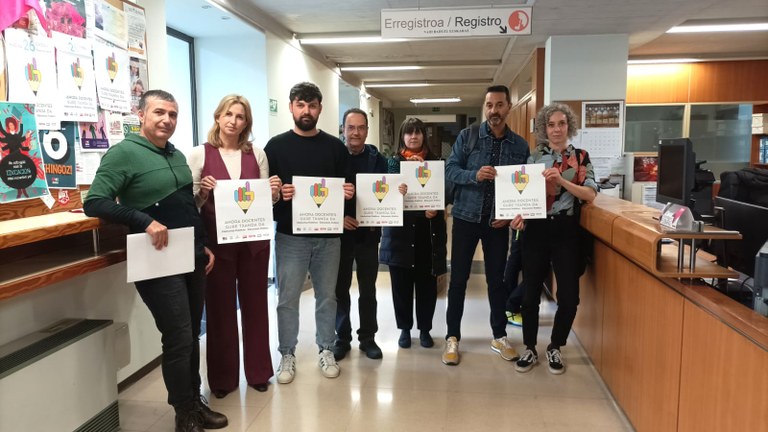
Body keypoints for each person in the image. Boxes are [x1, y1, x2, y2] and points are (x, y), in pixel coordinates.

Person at [84, 90, 228, 432]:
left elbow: (184, 206)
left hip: (189, 253)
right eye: (159, 112)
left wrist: (202, 243)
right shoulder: (123, 154)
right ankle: (184, 413)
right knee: (178, 335)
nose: (167, 120)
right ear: (142, 115)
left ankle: (195, 401)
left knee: (192, 333)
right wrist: (143, 220)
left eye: (173, 115)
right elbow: (95, 202)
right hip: (156, 259)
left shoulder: (176, 154)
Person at [188, 95, 281, 397]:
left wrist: (276, 193)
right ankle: (223, 379)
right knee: (219, 311)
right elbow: (190, 204)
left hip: (254, 243)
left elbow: (266, 198)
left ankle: (258, 372)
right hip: (218, 244)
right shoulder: (199, 155)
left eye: (240, 117)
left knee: (256, 307)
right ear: (218, 117)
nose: (234, 121)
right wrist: (202, 192)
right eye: (228, 114)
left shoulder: (257, 153)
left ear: (246, 123)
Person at [264, 82, 354, 384]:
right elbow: (266, 197)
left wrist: (347, 192)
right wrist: (278, 194)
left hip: (329, 238)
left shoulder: (334, 147)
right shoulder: (275, 147)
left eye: (312, 105)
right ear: (291, 107)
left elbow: (349, 190)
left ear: (320, 108)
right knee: (287, 298)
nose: (306, 110)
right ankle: (287, 353)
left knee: (327, 297)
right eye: (300, 104)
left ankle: (326, 348)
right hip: (291, 237)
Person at [442, 85, 530, 366]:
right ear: (485, 108)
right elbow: (450, 170)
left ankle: (499, 336)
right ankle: (452, 337)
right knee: (458, 281)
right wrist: (474, 175)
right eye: (490, 105)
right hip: (466, 219)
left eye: (500, 105)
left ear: (508, 108)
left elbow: (523, 185)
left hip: (497, 223)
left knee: (497, 282)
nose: (494, 111)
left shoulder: (519, 146)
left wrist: (515, 213)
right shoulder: (468, 137)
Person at [512, 102, 598, 375]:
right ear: (544, 128)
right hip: (536, 230)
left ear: (568, 126)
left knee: (570, 297)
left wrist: (561, 181)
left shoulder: (581, 157)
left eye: (561, 123)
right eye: (551, 124)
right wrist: (518, 217)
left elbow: (590, 194)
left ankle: (555, 347)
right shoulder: (533, 158)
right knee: (529, 294)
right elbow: (523, 196)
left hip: (566, 231)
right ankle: (529, 347)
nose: (557, 129)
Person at [379, 117, 447, 349]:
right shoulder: (393, 163)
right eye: (409, 133)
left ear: (423, 136)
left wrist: (436, 209)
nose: (414, 136)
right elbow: (385, 196)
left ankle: (425, 329)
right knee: (401, 285)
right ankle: (405, 329)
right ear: (402, 137)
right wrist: (396, 191)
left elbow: (445, 194)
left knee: (427, 285)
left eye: (418, 132)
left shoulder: (436, 163)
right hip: (400, 234)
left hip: (427, 234)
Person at [332, 108, 388, 361]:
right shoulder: (331, 157)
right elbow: (321, 191)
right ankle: (342, 338)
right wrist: (338, 218)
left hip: (368, 235)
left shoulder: (378, 159)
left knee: (368, 289)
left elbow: (385, 193)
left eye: (360, 127)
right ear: (343, 129)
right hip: (338, 235)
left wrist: (385, 210)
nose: (355, 132)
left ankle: (368, 338)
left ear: (367, 130)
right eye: (350, 127)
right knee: (340, 289)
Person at [503, 231, 524, 327]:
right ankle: (510, 308)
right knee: (516, 258)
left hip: (522, 219)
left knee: (516, 257)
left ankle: (509, 308)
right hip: (526, 220)